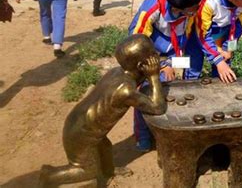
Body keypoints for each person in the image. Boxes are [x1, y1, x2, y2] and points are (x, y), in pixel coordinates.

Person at [39, 34, 166, 187]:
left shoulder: (116, 72)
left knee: (103, 145)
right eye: (153, 55)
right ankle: (49, 175)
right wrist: (154, 76)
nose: (156, 57)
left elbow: (137, 79)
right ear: (140, 66)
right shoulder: (125, 91)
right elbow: (158, 108)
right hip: (80, 135)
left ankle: (108, 171)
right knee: (85, 171)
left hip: (78, 123)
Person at [129, 0, 204, 151]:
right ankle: (143, 136)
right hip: (148, 56)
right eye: (193, 7)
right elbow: (137, 45)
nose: (197, 9)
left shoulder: (191, 10)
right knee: (146, 93)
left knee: (188, 81)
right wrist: (162, 66)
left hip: (174, 54)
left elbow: (186, 39)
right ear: (178, 8)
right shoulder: (152, 9)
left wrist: (173, 63)